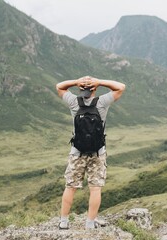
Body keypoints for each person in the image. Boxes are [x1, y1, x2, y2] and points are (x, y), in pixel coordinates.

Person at [55, 76, 126, 230]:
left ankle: (64, 222)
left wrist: (75, 82)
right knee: (95, 188)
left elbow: (59, 87)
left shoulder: (74, 102)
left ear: (81, 89)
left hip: (77, 151)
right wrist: (99, 82)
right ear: (95, 89)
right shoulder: (102, 102)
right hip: (98, 152)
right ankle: (89, 223)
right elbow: (121, 87)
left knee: (70, 186)